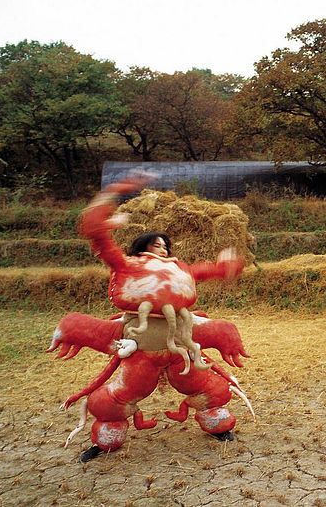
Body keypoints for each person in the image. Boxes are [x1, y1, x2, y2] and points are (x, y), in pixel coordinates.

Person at [68, 175, 247, 462]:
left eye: (165, 245)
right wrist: (113, 193)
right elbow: (96, 234)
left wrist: (230, 265)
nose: (162, 249)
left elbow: (211, 270)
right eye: (155, 245)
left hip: (179, 347)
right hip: (141, 351)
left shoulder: (181, 269)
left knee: (207, 387)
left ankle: (217, 426)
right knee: (116, 398)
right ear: (141, 247)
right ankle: (105, 441)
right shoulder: (126, 264)